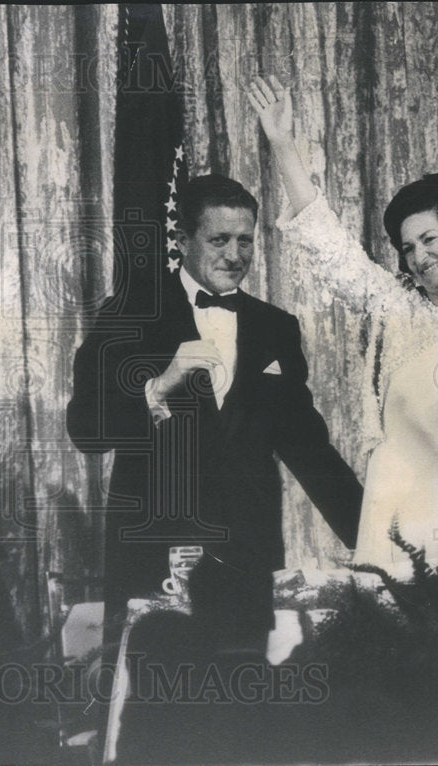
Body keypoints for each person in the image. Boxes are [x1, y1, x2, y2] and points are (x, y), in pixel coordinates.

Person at [248, 76, 438, 577]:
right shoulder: (397, 309)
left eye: (429, 239)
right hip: (393, 535)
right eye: (407, 248)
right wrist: (282, 145)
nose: (419, 258)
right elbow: (329, 246)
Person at [67, 174, 364, 650]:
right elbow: (86, 430)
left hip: (246, 559)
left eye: (245, 240)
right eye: (219, 239)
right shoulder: (128, 313)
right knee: (158, 708)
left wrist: (375, 543)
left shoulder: (275, 328)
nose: (234, 254)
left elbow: (309, 449)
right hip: (152, 554)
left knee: (242, 708)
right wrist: (159, 385)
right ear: (183, 240)